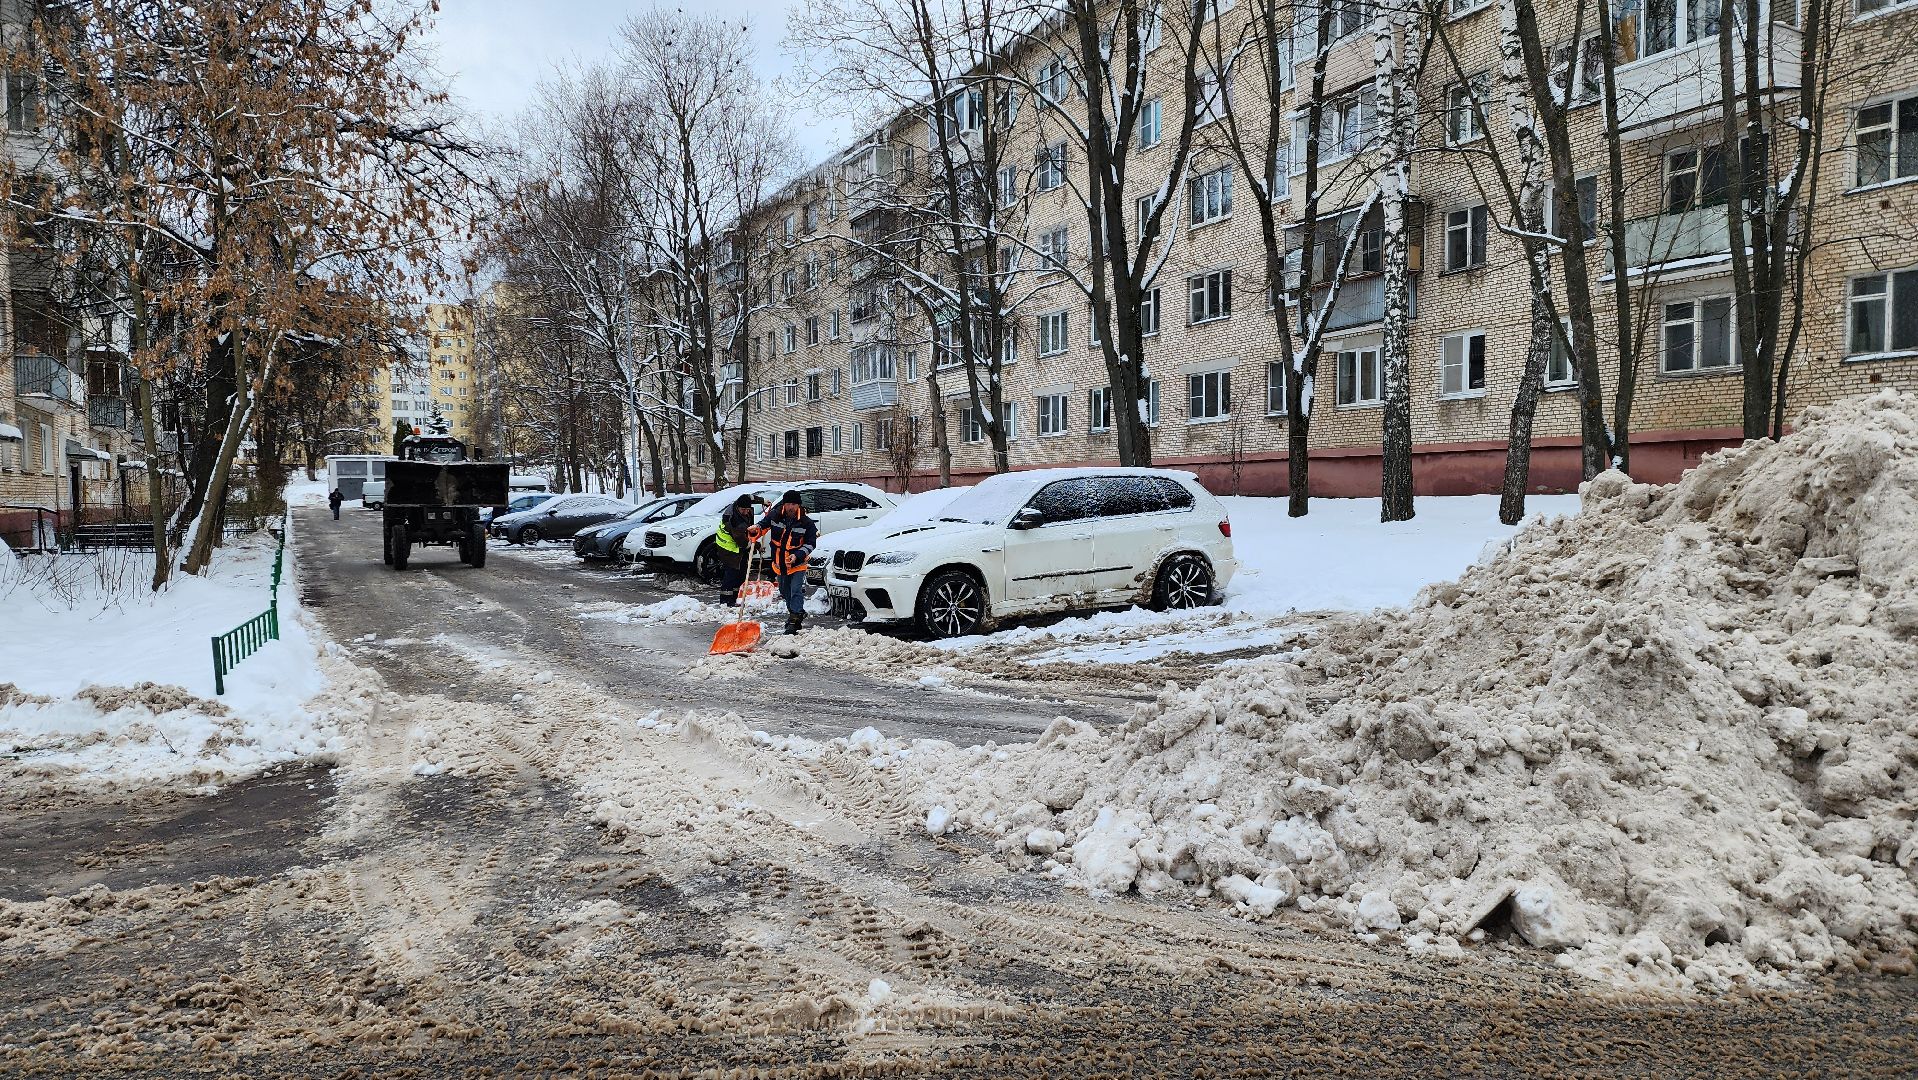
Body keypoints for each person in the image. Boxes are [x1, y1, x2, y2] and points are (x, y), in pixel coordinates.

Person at [749, 490, 819, 635]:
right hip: (779, 563)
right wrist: (756, 529)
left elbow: (811, 543)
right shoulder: (775, 515)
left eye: (793, 504)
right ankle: (797, 613)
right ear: (784, 505)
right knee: (784, 591)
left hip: (797, 564)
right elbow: (763, 525)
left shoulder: (806, 523)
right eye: (788, 504)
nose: (790, 507)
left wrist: (797, 555)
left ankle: (793, 620)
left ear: (798, 505)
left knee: (795, 591)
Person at [712, 493, 764, 606]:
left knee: (742, 572)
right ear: (737, 507)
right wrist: (757, 546)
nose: (746, 512)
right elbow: (743, 542)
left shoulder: (742, 503)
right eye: (743, 510)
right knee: (732, 573)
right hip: (728, 548)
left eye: (747, 509)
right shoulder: (734, 520)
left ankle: (737, 597)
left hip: (738, 545)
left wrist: (763, 501)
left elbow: (750, 497)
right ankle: (726, 601)